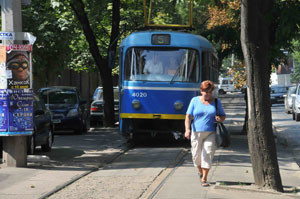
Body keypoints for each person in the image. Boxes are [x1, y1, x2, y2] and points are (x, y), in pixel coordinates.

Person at [185, 80, 226, 187]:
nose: (207, 94)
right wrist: (187, 129)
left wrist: (220, 118)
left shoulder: (216, 102)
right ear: (201, 91)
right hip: (195, 132)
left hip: (211, 133)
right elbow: (188, 116)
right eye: (205, 91)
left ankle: (204, 178)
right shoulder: (194, 100)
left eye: (209, 92)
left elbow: (223, 115)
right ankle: (201, 172)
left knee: (207, 153)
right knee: (196, 156)